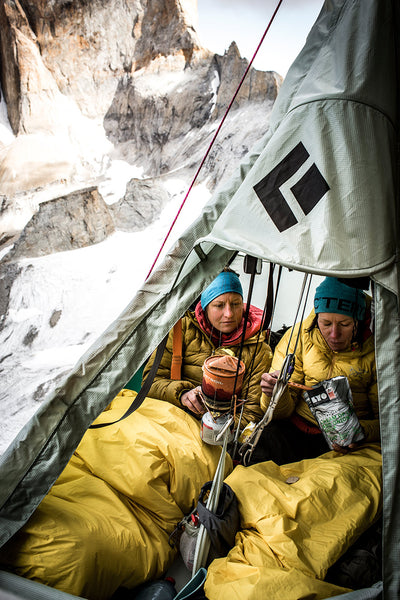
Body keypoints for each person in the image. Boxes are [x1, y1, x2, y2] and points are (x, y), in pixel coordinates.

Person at [250, 276, 379, 465]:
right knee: (259, 458)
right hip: (296, 429)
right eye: (326, 324)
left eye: (344, 324)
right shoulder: (298, 336)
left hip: (348, 444)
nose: (334, 334)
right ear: (317, 317)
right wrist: (275, 394)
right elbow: (279, 414)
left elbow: (389, 421)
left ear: (358, 321)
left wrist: (359, 432)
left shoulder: (378, 348)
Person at [143, 268, 273, 429]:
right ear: (205, 307)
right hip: (169, 422)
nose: (229, 314)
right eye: (219, 305)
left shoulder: (259, 351)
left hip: (217, 436)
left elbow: (252, 413)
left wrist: (216, 429)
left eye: (235, 304)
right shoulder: (180, 330)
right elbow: (149, 385)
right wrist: (182, 394)